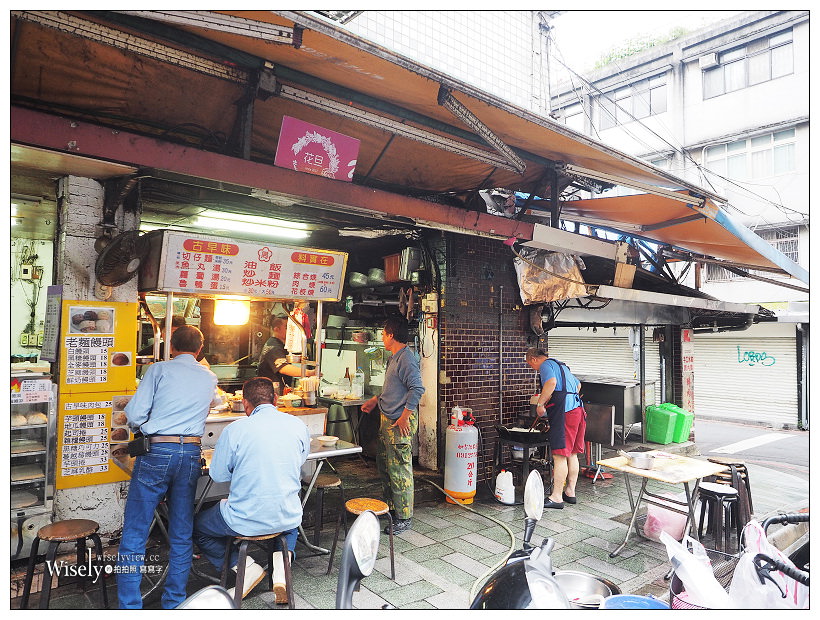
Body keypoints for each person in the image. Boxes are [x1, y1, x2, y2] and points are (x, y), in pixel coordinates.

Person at [117, 326, 218, 609]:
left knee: (136, 532)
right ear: (200, 349)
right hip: (190, 452)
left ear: (171, 346)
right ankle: (174, 602)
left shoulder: (158, 370)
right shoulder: (209, 376)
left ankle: (129, 606)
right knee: (182, 531)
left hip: (158, 451)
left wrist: (148, 423)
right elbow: (213, 403)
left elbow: (134, 414)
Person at [193, 376, 310, 603]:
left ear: (245, 404)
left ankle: (245, 568)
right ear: (275, 400)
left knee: (198, 527)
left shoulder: (235, 430)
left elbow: (218, 475)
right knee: (289, 525)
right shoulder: (298, 425)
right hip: (287, 515)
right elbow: (300, 459)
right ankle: (281, 571)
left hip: (245, 519)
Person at [361, 317, 425, 534]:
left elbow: (417, 388)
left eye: (383, 334)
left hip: (399, 422)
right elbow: (394, 389)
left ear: (390, 335)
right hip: (387, 420)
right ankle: (390, 509)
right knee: (386, 466)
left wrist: (405, 416)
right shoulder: (394, 358)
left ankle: (404, 517)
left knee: (399, 470)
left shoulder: (406, 358)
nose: (382, 337)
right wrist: (375, 400)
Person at [525, 347, 587, 509]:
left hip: (565, 413)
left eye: (530, 364)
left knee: (559, 455)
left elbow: (551, 382)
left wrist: (540, 404)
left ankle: (557, 497)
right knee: (572, 453)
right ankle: (570, 492)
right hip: (578, 410)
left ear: (534, 359)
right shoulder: (561, 365)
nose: (533, 368)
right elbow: (578, 385)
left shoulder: (545, 365)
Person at [257, 316, 316, 394]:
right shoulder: (273, 346)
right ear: (276, 329)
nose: (290, 332)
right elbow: (284, 368)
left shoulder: (281, 345)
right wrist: (309, 373)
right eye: (287, 328)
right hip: (269, 393)